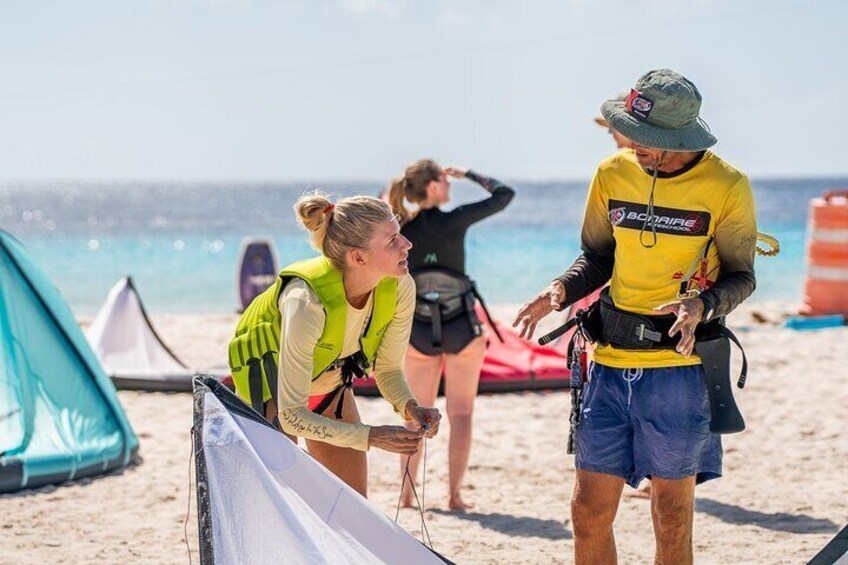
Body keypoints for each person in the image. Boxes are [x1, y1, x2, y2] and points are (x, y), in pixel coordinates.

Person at [514, 69, 757, 563]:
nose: (634, 145)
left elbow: (741, 276)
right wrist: (558, 290)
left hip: (681, 371)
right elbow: (597, 257)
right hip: (609, 361)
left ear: (678, 139)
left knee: (671, 518)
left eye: (646, 139)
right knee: (587, 511)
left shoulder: (727, 185)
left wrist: (700, 305)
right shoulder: (612, 173)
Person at [228, 193, 441, 497]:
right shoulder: (306, 303)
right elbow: (291, 415)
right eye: (392, 239)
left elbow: (389, 369)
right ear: (358, 257)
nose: (407, 244)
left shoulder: (400, 286)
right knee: (284, 508)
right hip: (270, 389)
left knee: (351, 509)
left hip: (329, 387)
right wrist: (372, 436)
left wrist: (411, 408)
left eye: (400, 233)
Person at [387, 159, 515, 510]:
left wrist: (393, 198)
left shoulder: (400, 230)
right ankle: (454, 497)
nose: (450, 185)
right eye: (446, 180)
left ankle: (407, 495)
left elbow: (372, 217)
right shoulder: (456, 219)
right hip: (462, 326)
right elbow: (505, 194)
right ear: (433, 187)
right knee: (460, 414)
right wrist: (472, 173)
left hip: (418, 329)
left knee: (415, 415)